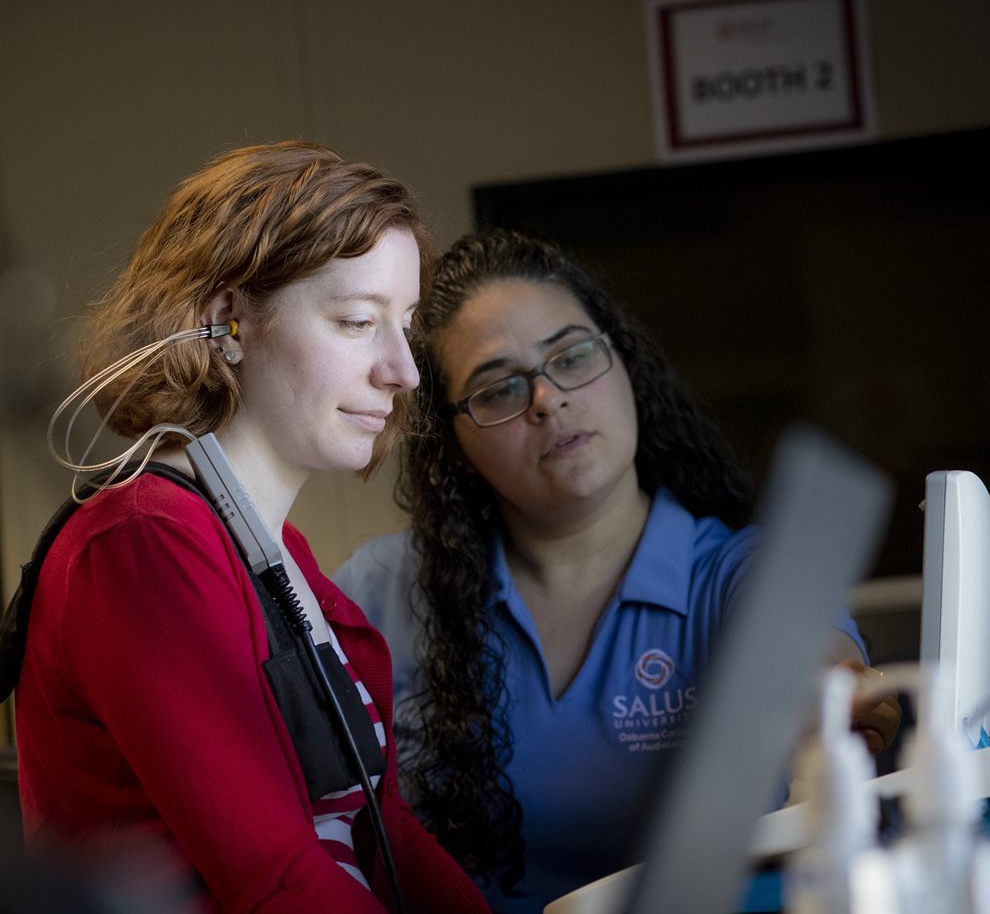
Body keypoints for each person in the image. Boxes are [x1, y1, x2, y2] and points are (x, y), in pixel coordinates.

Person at [333, 229, 902, 912]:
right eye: (498, 389)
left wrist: (831, 707)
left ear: (622, 362)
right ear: (453, 443)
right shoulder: (381, 590)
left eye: (571, 356)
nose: (547, 398)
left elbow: (820, 668)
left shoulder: (739, 573)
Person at [11, 142, 490, 913]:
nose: (404, 370)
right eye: (359, 321)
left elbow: (383, 831)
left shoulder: (281, 556)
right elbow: (272, 881)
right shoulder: (140, 544)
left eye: (405, 325)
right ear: (228, 321)